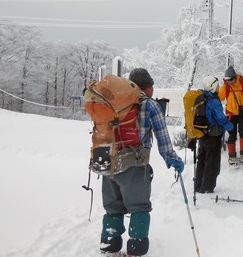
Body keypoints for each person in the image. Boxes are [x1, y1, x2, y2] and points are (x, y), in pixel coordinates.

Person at [99, 68, 184, 257]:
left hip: (108, 162)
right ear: (147, 87)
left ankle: (109, 248)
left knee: (113, 208)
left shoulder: (113, 101)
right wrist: (173, 160)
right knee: (139, 208)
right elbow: (163, 139)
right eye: (152, 85)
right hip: (134, 166)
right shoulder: (150, 105)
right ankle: (135, 251)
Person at [191, 76, 234, 193]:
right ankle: (207, 188)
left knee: (202, 159)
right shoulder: (214, 101)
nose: (219, 87)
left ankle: (198, 185)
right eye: (217, 85)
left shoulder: (201, 98)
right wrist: (231, 128)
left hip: (203, 134)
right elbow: (220, 118)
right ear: (213, 86)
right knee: (212, 162)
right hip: (213, 135)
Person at [219, 65, 243, 165]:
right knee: (231, 134)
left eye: (230, 80)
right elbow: (220, 98)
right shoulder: (226, 86)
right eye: (227, 80)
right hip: (231, 114)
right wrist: (223, 87)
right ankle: (232, 156)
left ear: (235, 78)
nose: (229, 82)